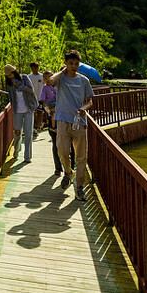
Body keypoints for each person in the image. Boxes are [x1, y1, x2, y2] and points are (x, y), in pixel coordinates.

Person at [41, 49, 96, 199]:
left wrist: (84, 109)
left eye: (76, 63)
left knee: (81, 157)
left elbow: (90, 101)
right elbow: (50, 81)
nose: (74, 66)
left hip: (79, 121)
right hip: (63, 120)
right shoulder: (61, 79)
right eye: (70, 63)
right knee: (62, 152)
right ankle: (68, 172)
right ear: (65, 63)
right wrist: (63, 71)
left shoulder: (84, 80)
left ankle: (79, 187)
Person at [0, 64, 38, 162]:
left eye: (11, 74)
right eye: (8, 75)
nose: (10, 76)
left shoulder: (24, 78)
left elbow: (31, 90)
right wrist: (12, 108)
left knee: (28, 133)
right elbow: (11, 97)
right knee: (17, 133)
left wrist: (19, 85)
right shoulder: (9, 84)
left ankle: (27, 157)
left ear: (14, 72)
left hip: (28, 109)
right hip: (17, 111)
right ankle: (16, 151)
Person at [27, 61, 46, 134]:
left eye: (36, 67)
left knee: (40, 112)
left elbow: (46, 85)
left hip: (40, 97)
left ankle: (37, 128)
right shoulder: (29, 77)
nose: (34, 69)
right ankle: (33, 127)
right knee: (33, 113)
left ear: (38, 68)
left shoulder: (42, 76)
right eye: (32, 68)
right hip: (31, 98)